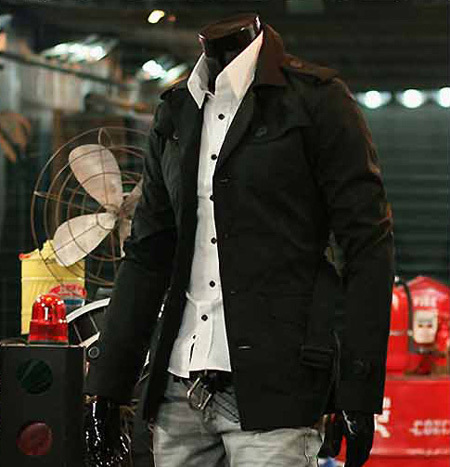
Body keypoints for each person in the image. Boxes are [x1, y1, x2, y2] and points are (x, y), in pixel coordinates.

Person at [85, 13, 395, 467]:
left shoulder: (317, 101)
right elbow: (148, 253)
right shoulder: (176, 110)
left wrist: (358, 390)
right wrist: (108, 386)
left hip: (277, 393)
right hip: (178, 393)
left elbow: (368, 246)